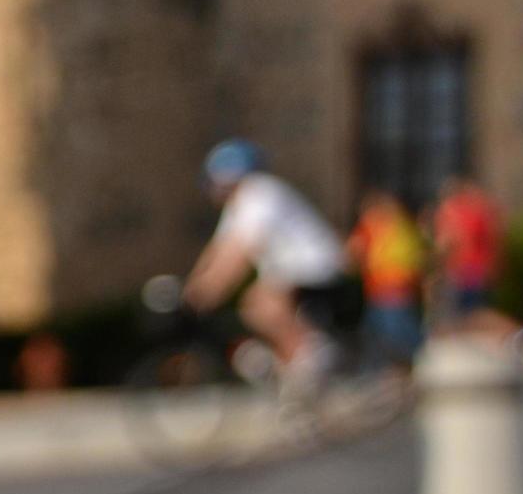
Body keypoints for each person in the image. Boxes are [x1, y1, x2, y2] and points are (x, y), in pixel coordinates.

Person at [183, 138, 347, 393]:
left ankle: (312, 355)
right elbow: (220, 249)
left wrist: (211, 290)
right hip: (290, 269)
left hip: (315, 265)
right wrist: (193, 284)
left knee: (260, 303)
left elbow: (241, 252)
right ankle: (293, 369)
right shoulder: (239, 205)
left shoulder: (259, 193)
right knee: (256, 308)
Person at [347, 188, 426, 368]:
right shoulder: (402, 225)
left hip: (388, 289)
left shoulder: (376, 226)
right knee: (385, 333)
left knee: (393, 334)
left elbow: (355, 250)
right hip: (394, 289)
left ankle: (403, 368)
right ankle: (403, 368)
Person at [432, 174, 502, 324]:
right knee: (475, 311)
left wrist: (437, 265)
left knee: (466, 314)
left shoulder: (453, 212)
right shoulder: (480, 210)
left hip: (462, 270)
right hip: (477, 269)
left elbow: (448, 242)